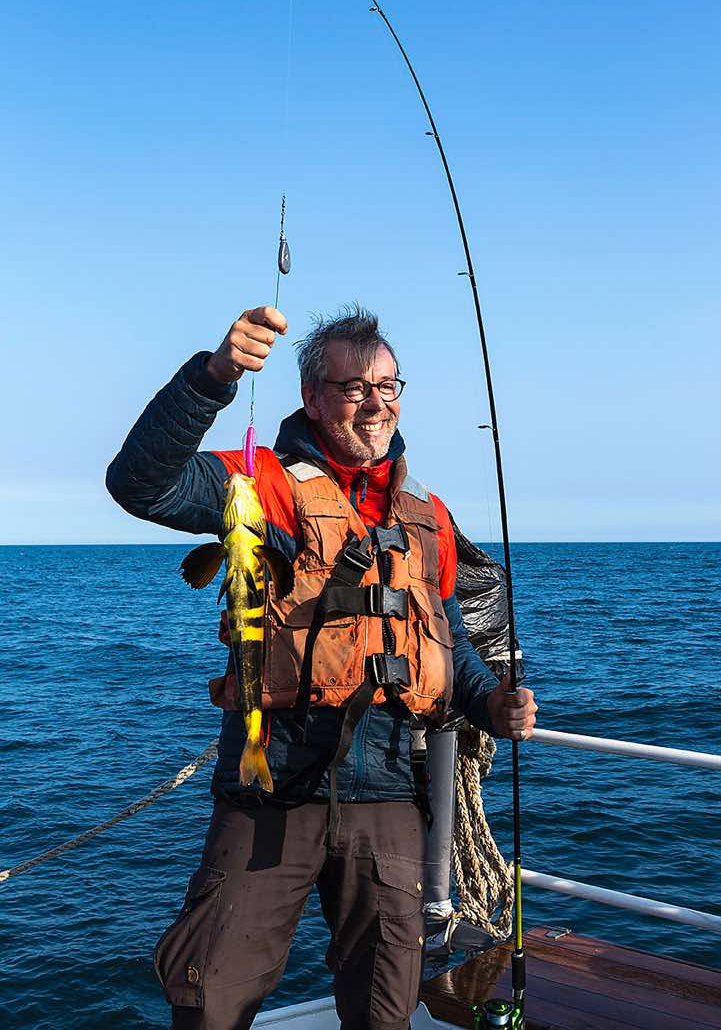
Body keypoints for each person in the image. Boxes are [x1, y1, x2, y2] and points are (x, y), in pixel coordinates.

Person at [106, 304, 537, 1030]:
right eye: (354, 388)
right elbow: (140, 484)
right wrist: (212, 377)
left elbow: (447, 641)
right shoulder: (262, 485)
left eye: (389, 386)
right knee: (210, 998)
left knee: (383, 1007)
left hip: (392, 798)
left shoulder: (426, 514)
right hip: (269, 785)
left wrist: (490, 703)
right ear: (312, 397)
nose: (376, 403)